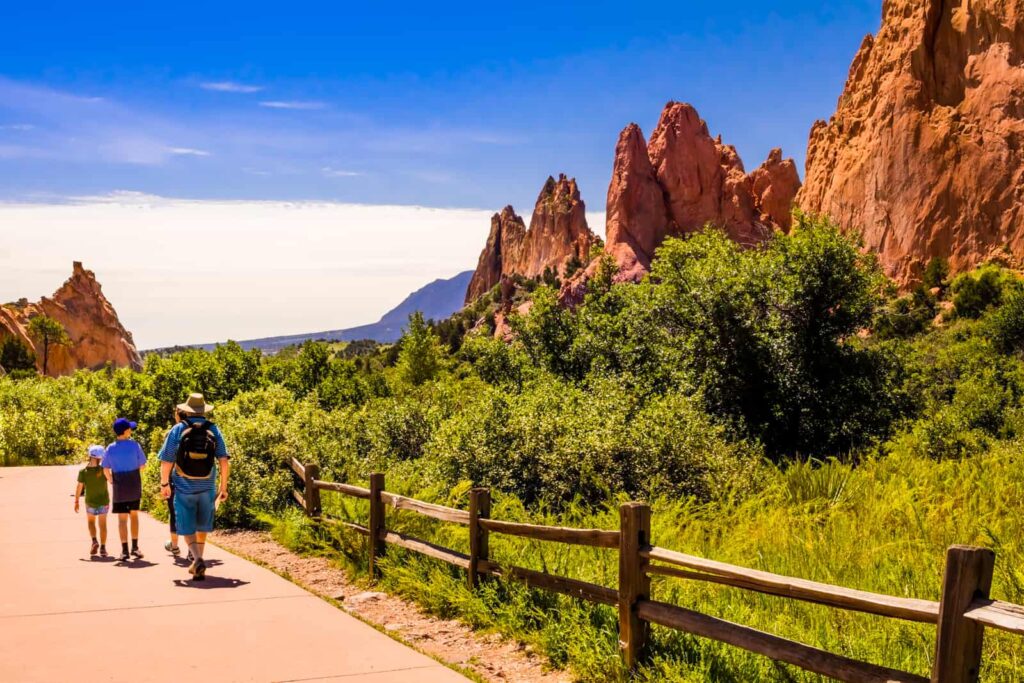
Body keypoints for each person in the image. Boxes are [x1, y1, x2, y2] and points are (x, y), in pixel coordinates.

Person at [158, 393, 230, 581]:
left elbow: (166, 460)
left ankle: (197, 558)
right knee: (202, 525)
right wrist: (223, 488)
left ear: (187, 411)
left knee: (187, 523)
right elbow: (223, 460)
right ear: (204, 410)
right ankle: (199, 558)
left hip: (183, 486)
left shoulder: (178, 429)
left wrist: (164, 484)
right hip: (207, 486)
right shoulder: (214, 429)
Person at [102, 418, 147, 562]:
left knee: (122, 519)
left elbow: (105, 469)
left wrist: (111, 480)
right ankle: (135, 547)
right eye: (130, 428)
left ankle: (125, 550)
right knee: (134, 515)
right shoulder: (135, 446)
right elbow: (142, 465)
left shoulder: (110, 448)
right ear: (126, 431)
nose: (131, 431)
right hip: (133, 482)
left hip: (119, 485)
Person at [163, 410, 193, 562]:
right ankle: (192, 550)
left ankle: (174, 546)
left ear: (177, 415)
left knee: (174, 512)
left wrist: (164, 482)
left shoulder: (174, 431)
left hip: (176, 479)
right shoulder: (203, 428)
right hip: (197, 480)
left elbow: (166, 459)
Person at [74, 444, 110, 557]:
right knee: (103, 525)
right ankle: (103, 548)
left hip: (90, 501)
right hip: (104, 501)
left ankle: (94, 541)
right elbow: (112, 480)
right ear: (100, 458)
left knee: (91, 522)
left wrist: (76, 501)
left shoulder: (83, 472)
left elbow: (79, 487)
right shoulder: (104, 470)